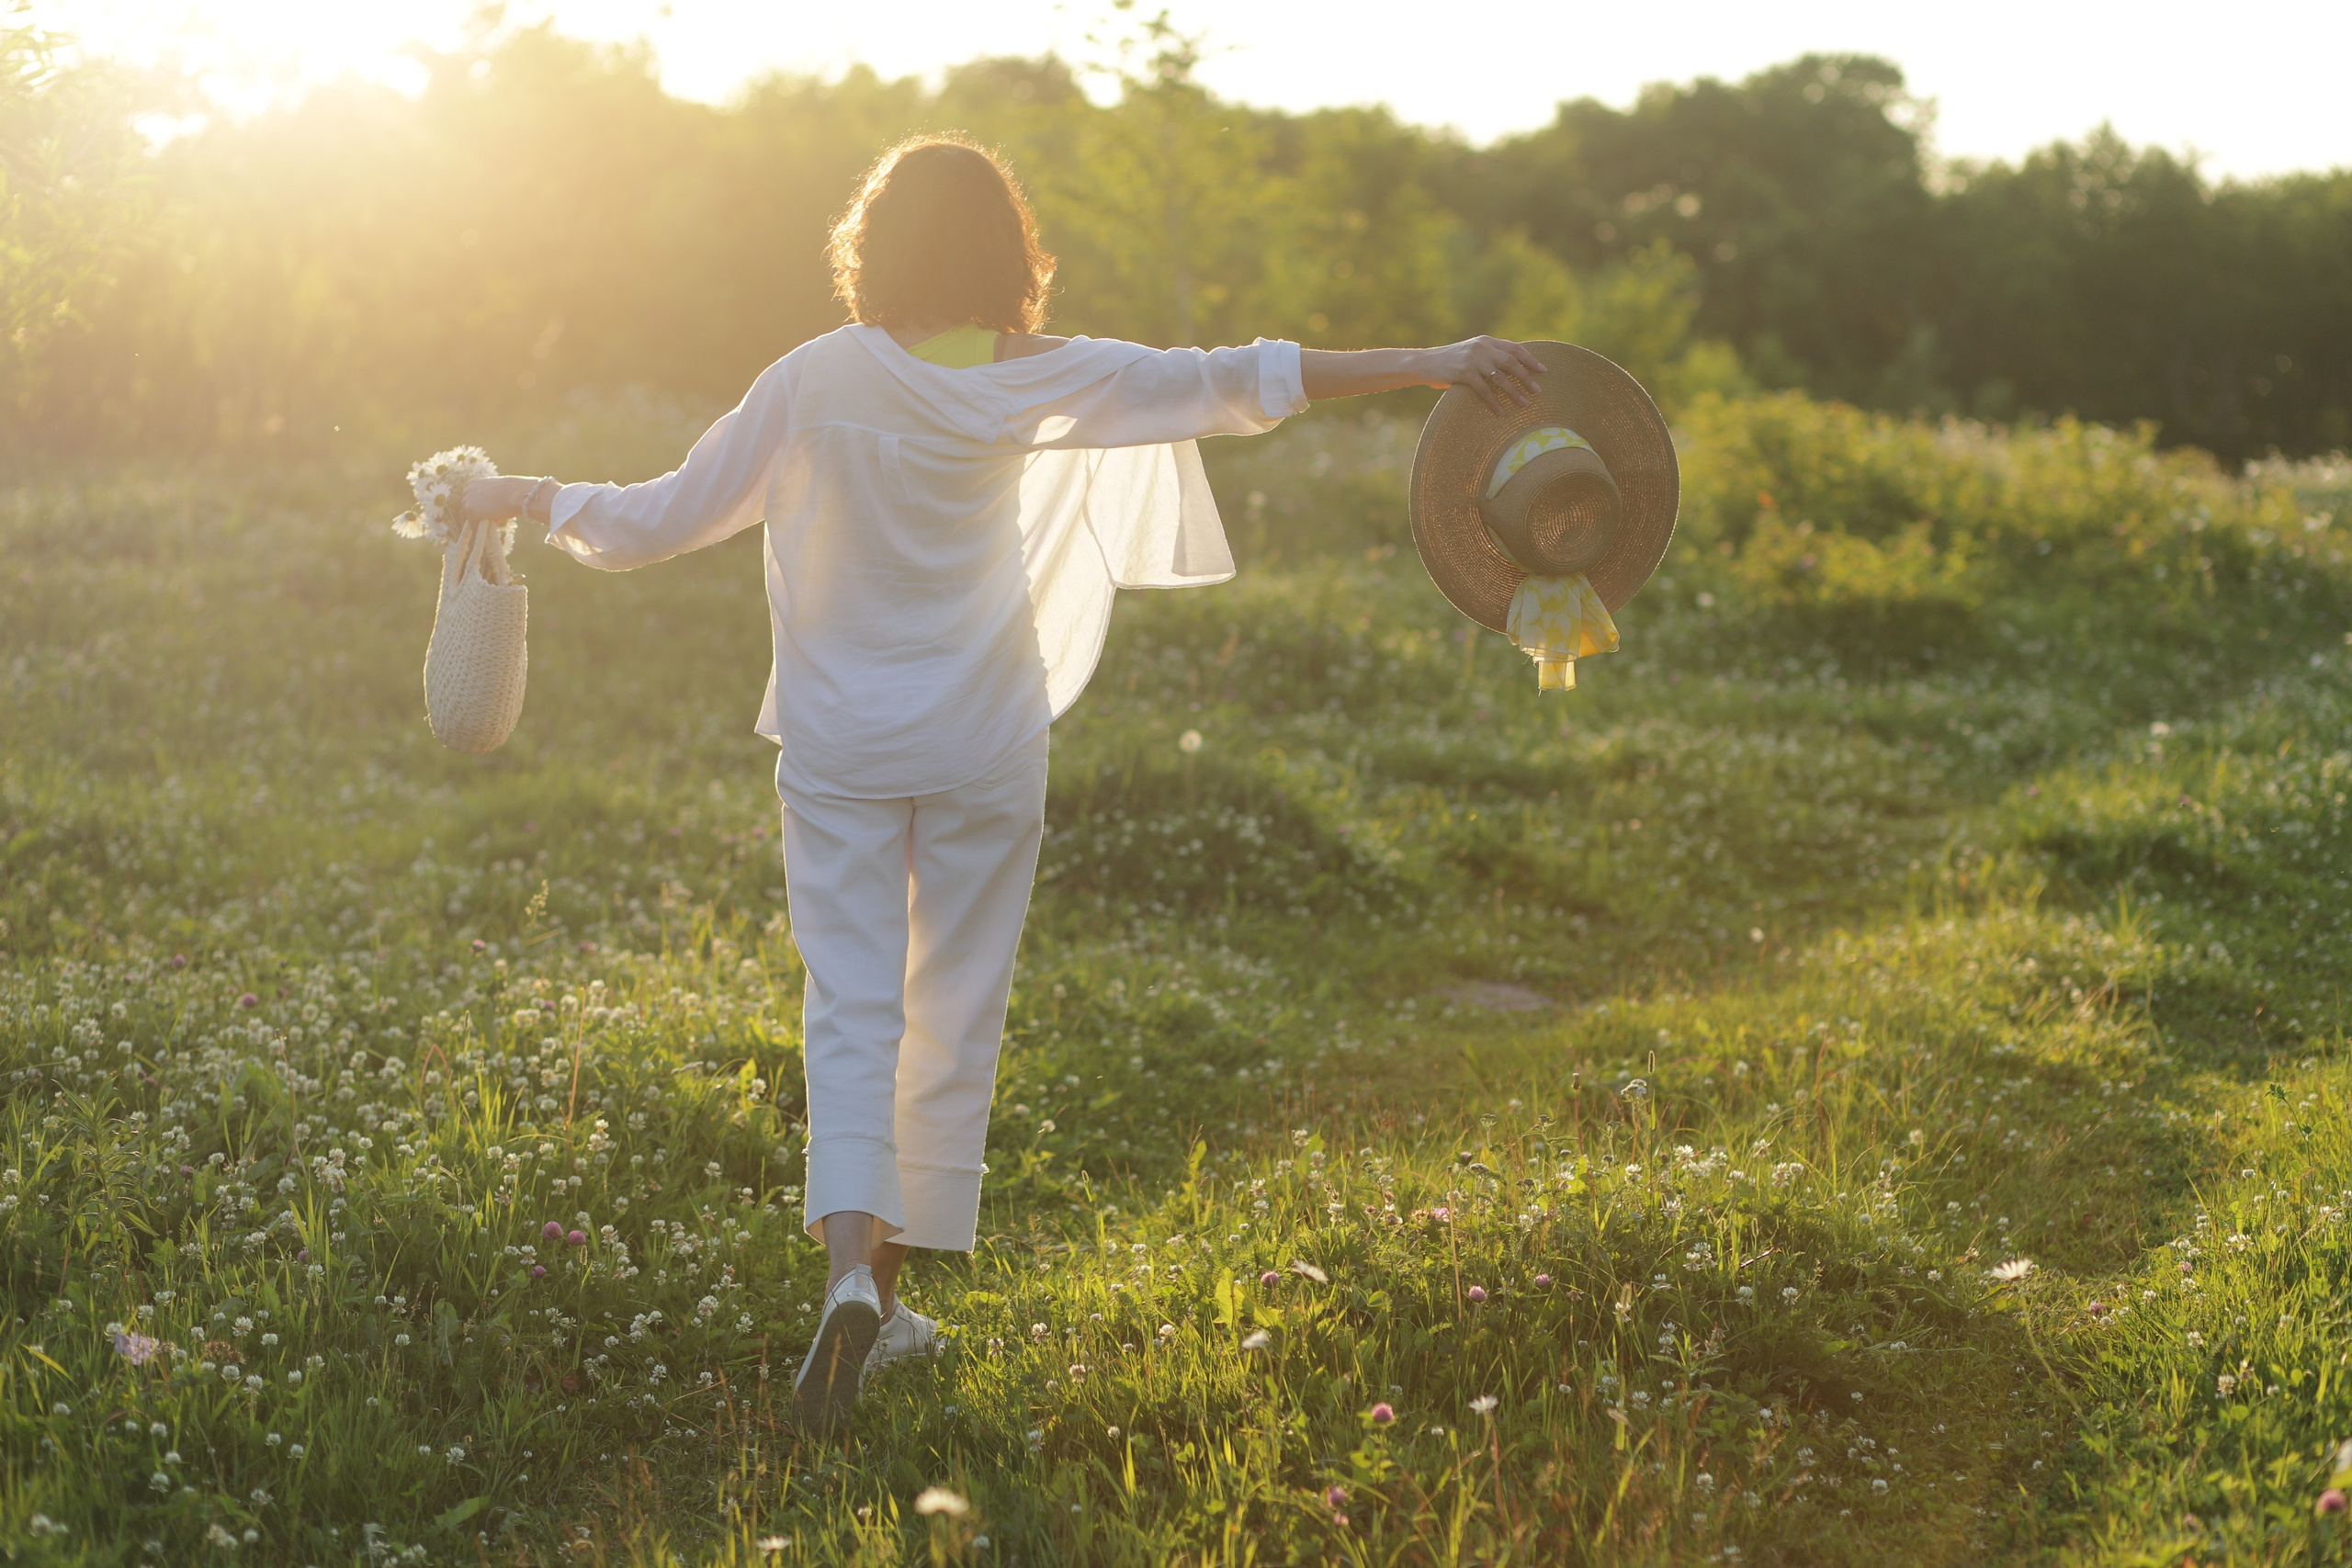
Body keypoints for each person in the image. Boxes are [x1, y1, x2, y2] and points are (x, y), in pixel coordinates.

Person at [460, 132, 1546, 1428]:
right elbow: (1235, 380)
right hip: (982, 744)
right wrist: (1429, 362)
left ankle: (852, 1281)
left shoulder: (812, 381)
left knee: (851, 1008)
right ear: (1005, 255)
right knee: (950, 1010)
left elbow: (652, 523)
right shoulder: (1031, 374)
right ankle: (890, 1299)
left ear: (873, 251)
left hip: (843, 751)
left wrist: (521, 494)